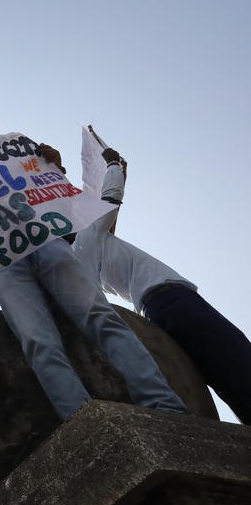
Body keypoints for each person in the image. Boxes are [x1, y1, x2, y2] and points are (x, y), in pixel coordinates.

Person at [0, 144, 187, 422]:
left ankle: (162, 404)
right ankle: (85, 423)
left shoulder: (58, 224)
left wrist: (51, 167)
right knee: (40, 341)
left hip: (46, 243)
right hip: (5, 265)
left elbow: (59, 199)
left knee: (95, 318)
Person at [73, 146, 251, 423]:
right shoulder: (86, 237)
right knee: (237, 360)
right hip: (173, 301)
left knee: (224, 376)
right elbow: (110, 198)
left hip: (158, 310)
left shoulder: (80, 258)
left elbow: (109, 221)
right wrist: (113, 164)